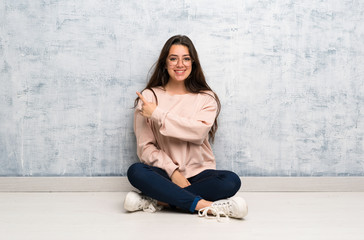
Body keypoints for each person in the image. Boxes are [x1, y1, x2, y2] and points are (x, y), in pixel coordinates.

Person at [124, 35, 248, 220]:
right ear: (165, 63)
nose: (180, 64)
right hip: (164, 174)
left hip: (200, 174)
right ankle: (206, 206)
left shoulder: (206, 97)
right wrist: (173, 173)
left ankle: (158, 200)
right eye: (173, 58)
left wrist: (158, 114)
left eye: (186, 58)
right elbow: (146, 148)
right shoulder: (149, 97)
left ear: (193, 63)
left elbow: (197, 132)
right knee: (136, 171)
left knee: (231, 181)